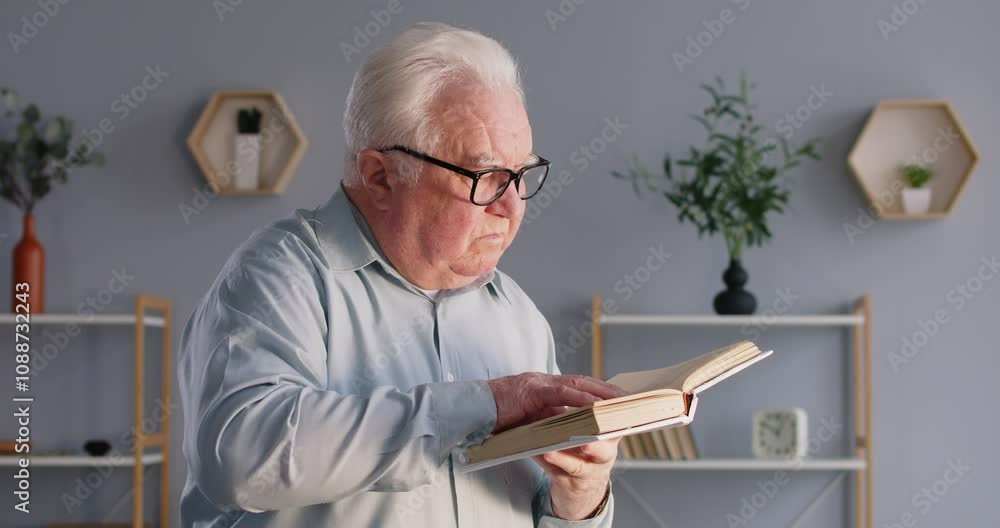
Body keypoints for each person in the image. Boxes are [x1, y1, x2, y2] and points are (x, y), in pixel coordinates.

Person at [177, 22, 624, 527]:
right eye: (484, 177)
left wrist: (582, 498)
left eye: (521, 175)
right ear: (379, 177)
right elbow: (241, 461)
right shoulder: (278, 276)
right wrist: (488, 404)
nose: (511, 206)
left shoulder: (517, 314)